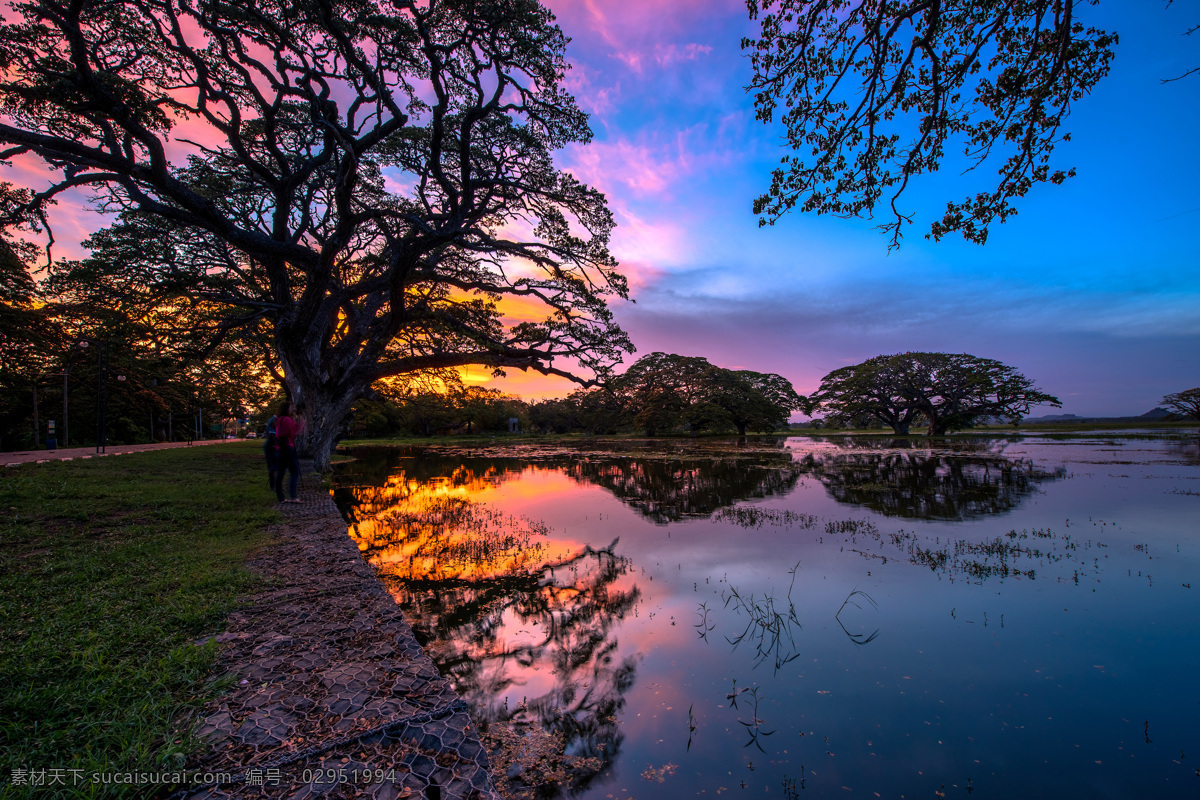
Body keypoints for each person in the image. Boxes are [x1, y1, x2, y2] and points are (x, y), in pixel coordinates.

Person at [274, 401, 302, 503]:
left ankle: (281, 497)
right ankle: (293, 497)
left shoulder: (279, 420)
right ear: (287, 409)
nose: (293, 409)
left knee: (280, 473)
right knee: (294, 472)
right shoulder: (287, 420)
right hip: (288, 448)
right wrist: (300, 425)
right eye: (291, 408)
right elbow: (292, 433)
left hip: (280, 448)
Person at [262, 413, 278, 489]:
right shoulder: (274, 420)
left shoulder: (273, 420)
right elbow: (272, 435)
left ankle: (274, 486)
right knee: (273, 467)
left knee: (273, 467)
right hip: (272, 447)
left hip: (273, 446)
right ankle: (273, 486)